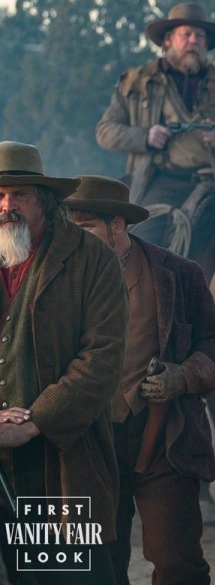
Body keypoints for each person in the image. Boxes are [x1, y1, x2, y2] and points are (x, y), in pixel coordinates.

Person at [66, 176, 215, 585]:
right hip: (89, 446)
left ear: (117, 225)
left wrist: (185, 375)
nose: (78, 240)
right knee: (98, 567)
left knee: (179, 565)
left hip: (165, 439)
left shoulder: (178, 273)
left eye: (87, 228)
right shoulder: (60, 280)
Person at [0, 142, 126, 584]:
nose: (6, 206)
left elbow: (102, 357)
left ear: (45, 200)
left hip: (66, 461)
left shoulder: (92, 258)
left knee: (71, 573)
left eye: (19, 194)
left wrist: (34, 422)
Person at [95, 2, 215, 248]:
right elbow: (105, 131)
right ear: (168, 40)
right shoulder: (136, 82)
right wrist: (145, 137)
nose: (193, 41)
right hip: (162, 181)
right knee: (142, 244)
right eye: (186, 34)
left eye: (199, 36)